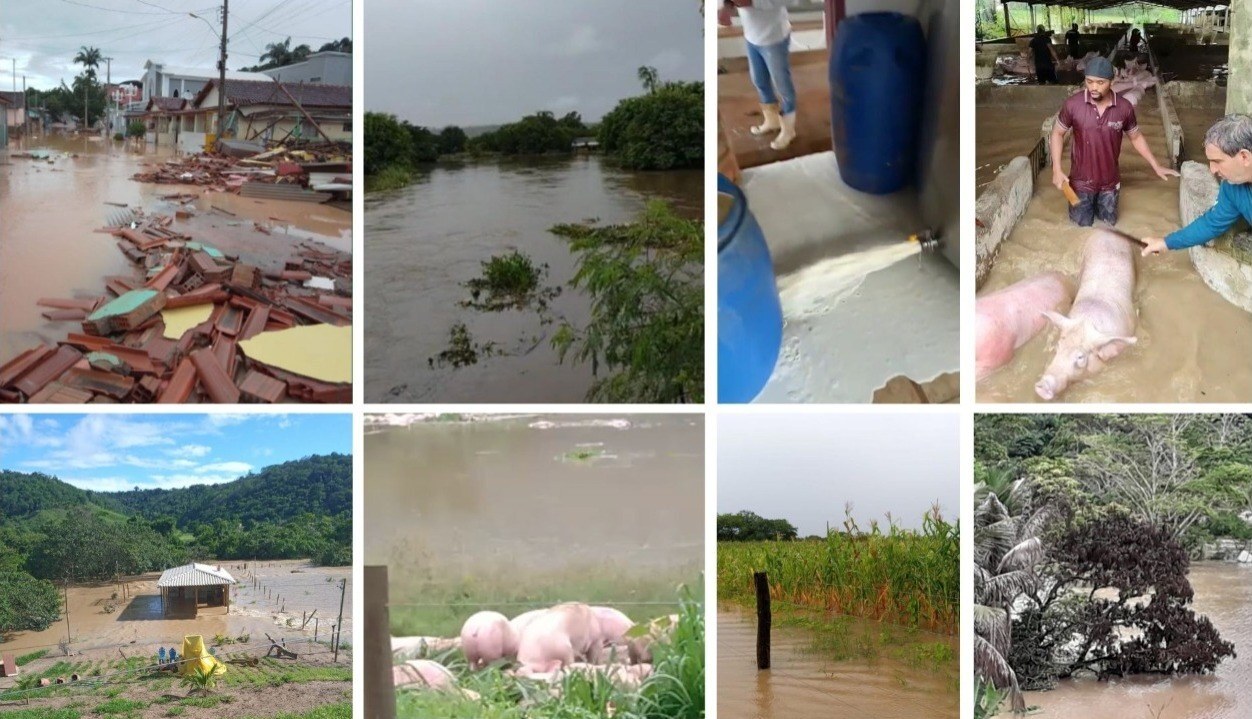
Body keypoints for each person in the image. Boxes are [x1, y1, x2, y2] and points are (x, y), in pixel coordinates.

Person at [1050, 56, 1178, 227]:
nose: (1093, 87)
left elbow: (1136, 136)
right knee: (1079, 228)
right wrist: (1056, 169)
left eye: (1100, 82)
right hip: (1079, 184)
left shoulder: (1124, 108)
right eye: (1089, 81)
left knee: (1109, 227)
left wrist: (1156, 165)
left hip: (1109, 185)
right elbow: (1057, 133)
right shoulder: (1073, 105)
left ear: (1112, 81)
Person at [1142, 114, 1252, 255]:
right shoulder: (1232, 187)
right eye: (1210, 162)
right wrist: (1166, 242)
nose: (1212, 170)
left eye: (1217, 161)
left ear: (1244, 157)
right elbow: (1211, 223)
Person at [721, 0, 797, 151]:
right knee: (759, 80)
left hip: (774, 38)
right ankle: (772, 121)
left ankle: (789, 130)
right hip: (751, 36)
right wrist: (725, 7)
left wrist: (752, 2)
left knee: (782, 84)